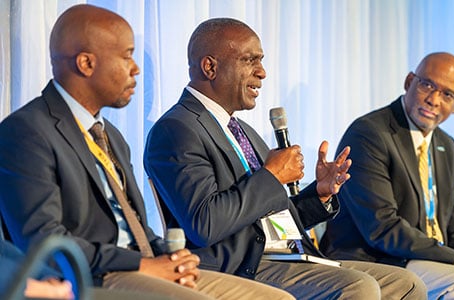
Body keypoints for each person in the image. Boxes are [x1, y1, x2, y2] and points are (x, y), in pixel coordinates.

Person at [0, 5, 295, 300]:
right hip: (90, 277)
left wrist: (169, 256)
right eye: (126, 56)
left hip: (141, 266)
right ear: (86, 63)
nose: (136, 68)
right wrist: (142, 264)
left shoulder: (110, 136)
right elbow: (43, 243)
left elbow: (133, 227)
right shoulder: (27, 131)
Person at [144, 17, 427, 299]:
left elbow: (268, 219)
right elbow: (205, 224)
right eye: (249, 60)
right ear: (210, 67)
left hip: (287, 258)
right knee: (358, 287)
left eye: (261, 60)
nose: (262, 72)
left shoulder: (243, 131)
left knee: (407, 284)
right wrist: (271, 176)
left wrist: (318, 195)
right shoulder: (177, 130)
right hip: (240, 267)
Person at [319, 52, 454, 299]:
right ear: (408, 81)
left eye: (447, 94)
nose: (434, 100)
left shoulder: (448, 148)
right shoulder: (369, 134)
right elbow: (382, 228)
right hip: (376, 258)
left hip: (427, 259)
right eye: (427, 85)